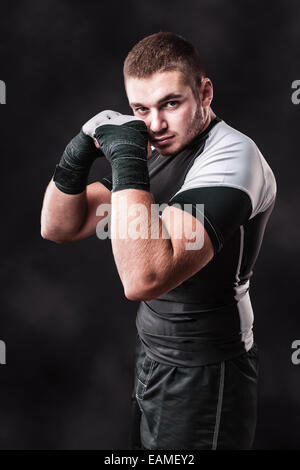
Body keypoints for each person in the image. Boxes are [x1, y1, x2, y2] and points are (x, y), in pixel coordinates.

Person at [40, 32, 277, 450]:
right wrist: (78, 150)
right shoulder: (159, 149)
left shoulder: (232, 161)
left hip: (206, 369)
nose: (154, 125)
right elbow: (60, 225)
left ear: (203, 92)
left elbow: (143, 278)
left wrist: (129, 160)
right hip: (153, 355)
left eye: (171, 103)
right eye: (140, 109)